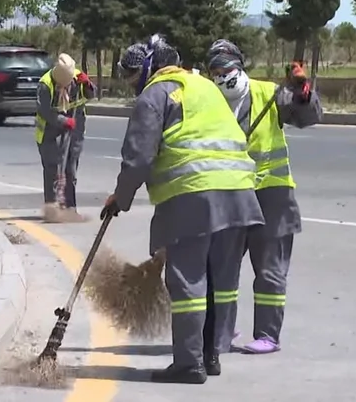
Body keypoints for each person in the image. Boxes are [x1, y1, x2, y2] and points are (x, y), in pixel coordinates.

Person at [100, 34, 265, 384]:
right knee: (219, 280)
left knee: (187, 281)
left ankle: (189, 364)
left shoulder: (155, 94)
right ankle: (211, 355)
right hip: (238, 195)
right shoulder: (203, 86)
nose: (132, 85)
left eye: (132, 77)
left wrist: (121, 197)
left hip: (194, 196)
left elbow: (138, 158)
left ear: (149, 68)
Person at [204, 39, 323, 355]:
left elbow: (307, 116)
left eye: (225, 69)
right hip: (229, 196)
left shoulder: (269, 94)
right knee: (222, 269)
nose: (220, 76)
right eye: (214, 71)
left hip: (272, 196)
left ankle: (268, 335)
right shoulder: (209, 100)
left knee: (270, 269)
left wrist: (302, 91)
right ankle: (221, 333)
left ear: (239, 67)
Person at [35, 53, 97, 222]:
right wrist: (63, 120)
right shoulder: (45, 84)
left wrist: (88, 85)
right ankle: (52, 209)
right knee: (53, 170)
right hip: (49, 132)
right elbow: (45, 111)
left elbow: (91, 95)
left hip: (75, 130)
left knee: (71, 170)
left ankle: (71, 208)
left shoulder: (76, 78)